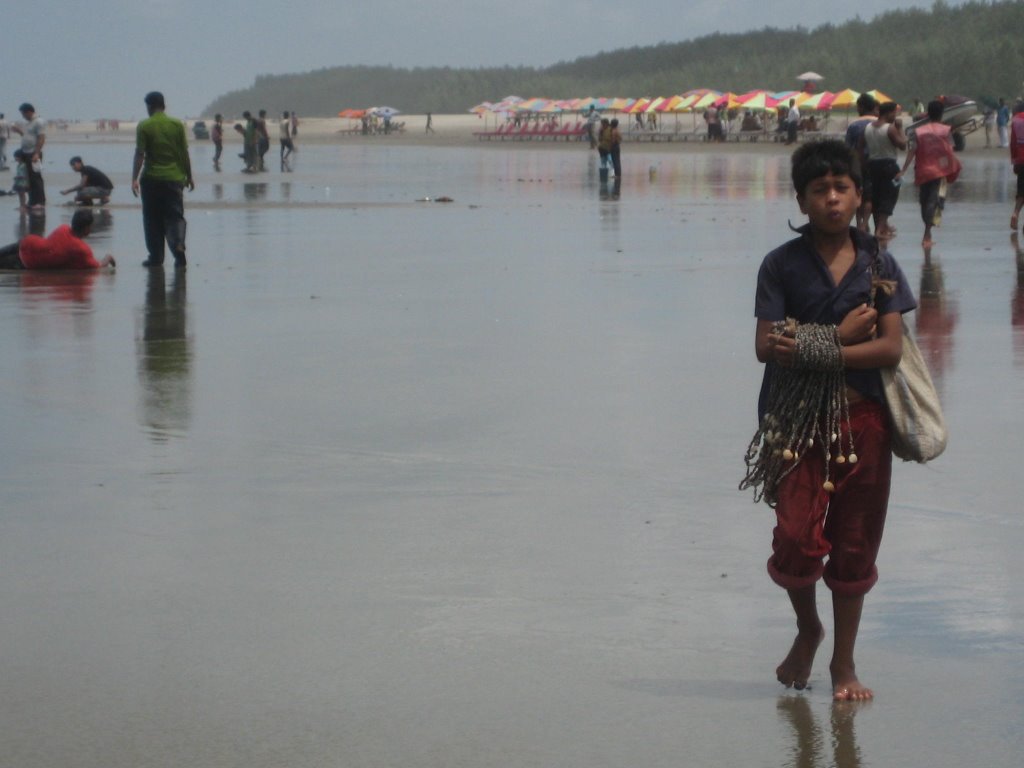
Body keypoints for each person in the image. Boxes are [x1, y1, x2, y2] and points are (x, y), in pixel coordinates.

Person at [743, 139, 916, 701]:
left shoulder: (879, 264)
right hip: (793, 421)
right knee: (795, 536)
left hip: (864, 421)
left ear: (859, 196)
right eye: (820, 190)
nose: (832, 199)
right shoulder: (781, 264)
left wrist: (821, 350)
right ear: (801, 198)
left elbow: (890, 349)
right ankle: (807, 627)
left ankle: (844, 664)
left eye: (842, 188)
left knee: (854, 542)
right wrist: (838, 340)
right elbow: (769, 346)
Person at [131, 91, 194, 268]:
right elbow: (184, 153)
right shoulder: (176, 125)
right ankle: (178, 244)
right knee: (175, 216)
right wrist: (189, 176)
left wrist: (134, 178)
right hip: (175, 179)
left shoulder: (144, 126)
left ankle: (156, 257)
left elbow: (140, 154)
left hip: (151, 179)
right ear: (164, 106)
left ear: (149, 107)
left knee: (152, 219)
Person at [897, 100, 962, 246]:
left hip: (922, 171)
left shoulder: (918, 131)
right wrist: (954, 168)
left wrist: (903, 170)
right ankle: (927, 234)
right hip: (939, 171)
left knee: (924, 201)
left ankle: (927, 231)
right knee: (933, 201)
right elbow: (949, 150)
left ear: (928, 113)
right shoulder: (946, 130)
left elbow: (912, 151)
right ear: (942, 114)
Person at [0, 209, 115, 270]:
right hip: (27, 262)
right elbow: (97, 267)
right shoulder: (82, 249)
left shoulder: (63, 228)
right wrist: (107, 258)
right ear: (87, 228)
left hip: (26, 242)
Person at [861, 101, 907, 238]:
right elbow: (902, 145)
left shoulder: (868, 127)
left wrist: (863, 164)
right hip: (888, 165)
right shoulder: (889, 128)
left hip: (872, 164)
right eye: (894, 113)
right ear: (888, 113)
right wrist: (900, 129)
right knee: (889, 197)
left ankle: (880, 227)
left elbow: (860, 146)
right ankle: (880, 230)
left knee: (876, 196)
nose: (895, 115)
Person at [845, 93, 878, 232]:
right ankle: (865, 222)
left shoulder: (854, 125)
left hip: (857, 164)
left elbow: (847, 148)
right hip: (876, 163)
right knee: (870, 196)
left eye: (858, 107)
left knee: (859, 193)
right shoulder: (881, 124)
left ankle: (859, 223)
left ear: (863, 107)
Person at [10, 103, 46, 211]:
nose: (22, 116)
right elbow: (27, 136)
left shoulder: (38, 122)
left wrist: (36, 153)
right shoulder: (29, 123)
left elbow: (41, 138)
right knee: (28, 178)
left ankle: (40, 202)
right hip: (26, 152)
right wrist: (18, 131)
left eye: (23, 114)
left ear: (29, 112)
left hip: (33, 153)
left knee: (36, 178)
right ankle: (32, 201)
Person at [1008, 102, 1024, 231]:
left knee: (1021, 191)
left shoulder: (1016, 120)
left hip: (1020, 159)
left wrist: (1014, 162)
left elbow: (1013, 143)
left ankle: (1015, 213)